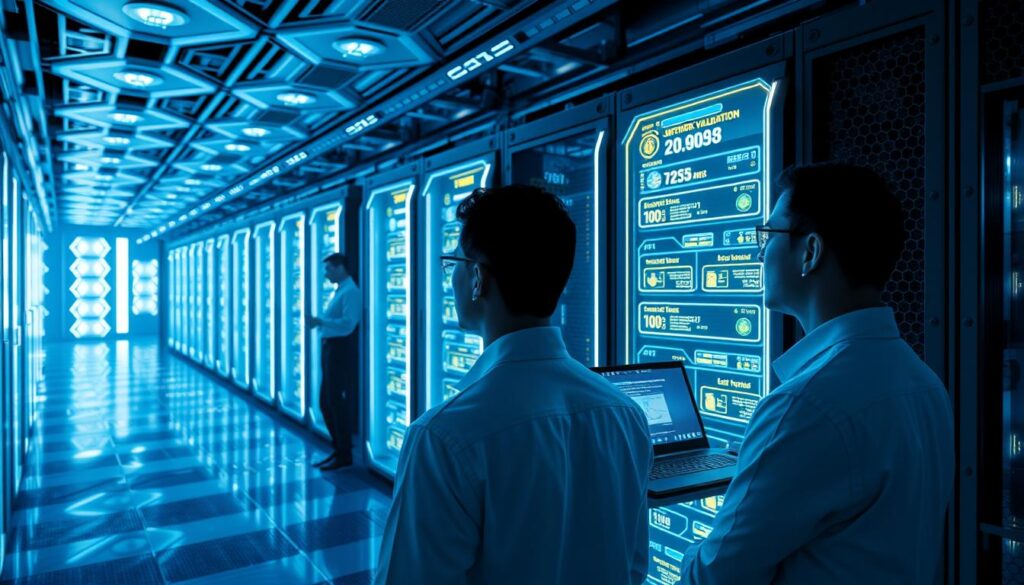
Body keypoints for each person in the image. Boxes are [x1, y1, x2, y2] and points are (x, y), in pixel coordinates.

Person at [679, 163, 954, 584]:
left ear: (809, 252)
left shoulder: (802, 407)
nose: (759, 252)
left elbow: (715, 577)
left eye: (768, 236)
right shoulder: (925, 384)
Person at [375, 185, 652, 585]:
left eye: (453, 261)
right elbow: (633, 567)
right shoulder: (625, 414)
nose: (449, 276)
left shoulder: (443, 436)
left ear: (476, 278)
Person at [306, 252, 361, 470]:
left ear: (340, 268)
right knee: (327, 402)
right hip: (332, 350)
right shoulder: (342, 291)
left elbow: (348, 324)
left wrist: (320, 321)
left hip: (339, 351)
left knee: (335, 402)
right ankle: (338, 449)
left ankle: (344, 452)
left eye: (329, 269)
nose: (326, 274)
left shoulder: (351, 292)